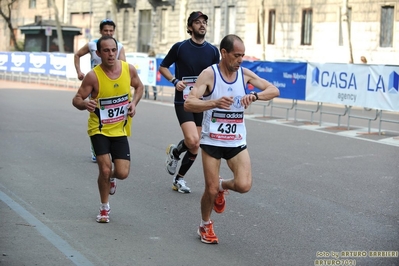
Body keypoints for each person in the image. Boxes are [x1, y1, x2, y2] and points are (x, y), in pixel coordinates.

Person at [184, 34, 280, 243]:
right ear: (224, 53)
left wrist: (254, 96)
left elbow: (274, 90)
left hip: (236, 141)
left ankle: (223, 185)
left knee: (244, 185)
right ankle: (205, 225)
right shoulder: (209, 75)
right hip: (212, 141)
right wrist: (214, 103)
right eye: (237, 55)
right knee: (209, 189)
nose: (240, 60)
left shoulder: (245, 75)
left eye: (243, 55)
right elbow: (189, 103)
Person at [72, 36, 143, 223]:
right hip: (99, 129)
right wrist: (85, 104)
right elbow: (77, 99)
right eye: (106, 51)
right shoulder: (93, 76)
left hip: (120, 129)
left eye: (113, 50)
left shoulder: (128, 70)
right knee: (104, 169)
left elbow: (139, 87)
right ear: (98, 53)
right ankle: (104, 208)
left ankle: (111, 178)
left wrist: (134, 103)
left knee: (122, 173)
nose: (111, 54)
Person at [159, 11, 220, 193]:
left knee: (195, 144)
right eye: (197, 22)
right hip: (184, 101)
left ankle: (179, 177)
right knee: (193, 140)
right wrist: (175, 81)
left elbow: (216, 75)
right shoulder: (180, 47)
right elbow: (163, 67)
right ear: (189, 27)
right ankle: (176, 153)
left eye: (204, 22)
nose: (202, 25)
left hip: (203, 102)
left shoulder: (212, 51)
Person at [74, 19, 126, 163]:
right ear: (100, 32)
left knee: (112, 117)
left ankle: (113, 146)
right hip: (95, 84)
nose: (108, 33)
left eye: (111, 31)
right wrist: (79, 71)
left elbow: (123, 66)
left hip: (111, 86)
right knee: (96, 116)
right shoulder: (92, 45)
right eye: (106, 31)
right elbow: (77, 54)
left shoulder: (119, 46)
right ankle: (96, 147)